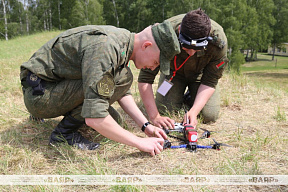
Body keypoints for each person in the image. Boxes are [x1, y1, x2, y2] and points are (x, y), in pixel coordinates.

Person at [20, 21, 181, 156]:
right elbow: (95, 117)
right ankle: (63, 134)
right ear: (147, 46)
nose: (154, 68)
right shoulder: (107, 47)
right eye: (157, 62)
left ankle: (58, 120)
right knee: (115, 91)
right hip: (39, 95)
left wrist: (145, 126)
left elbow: (122, 91)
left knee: (117, 114)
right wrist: (139, 142)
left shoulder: (124, 41)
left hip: (49, 86)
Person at [138, 9, 228, 129]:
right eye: (186, 46)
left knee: (209, 116)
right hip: (173, 74)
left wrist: (194, 111)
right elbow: (145, 78)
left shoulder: (218, 41)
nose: (191, 53)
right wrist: (155, 116)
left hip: (201, 77)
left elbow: (210, 81)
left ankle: (191, 95)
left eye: (197, 49)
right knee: (165, 110)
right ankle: (180, 94)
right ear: (179, 30)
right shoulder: (164, 34)